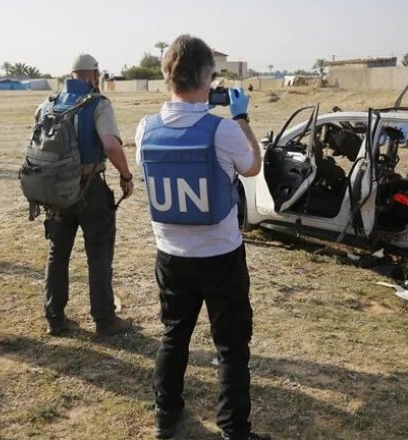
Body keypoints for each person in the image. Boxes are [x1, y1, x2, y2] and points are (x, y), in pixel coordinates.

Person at [135, 35, 268, 440]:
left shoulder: (145, 128)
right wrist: (241, 118)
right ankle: (234, 430)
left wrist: (200, 107)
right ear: (206, 77)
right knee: (231, 347)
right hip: (220, 255)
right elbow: (252, 167)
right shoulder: (224, 131)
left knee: (174, 336)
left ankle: (165, 415)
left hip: (171, 254)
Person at [39, 53, 135, 337]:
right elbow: (110, 145)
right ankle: (105, 320)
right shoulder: (98, 104)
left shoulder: (47, 104)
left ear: (70, 75)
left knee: (58, 254)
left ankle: (54, 318)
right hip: (90, 187)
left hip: (55, 190)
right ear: (93, 75)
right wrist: (126, 175)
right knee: (99, 254)